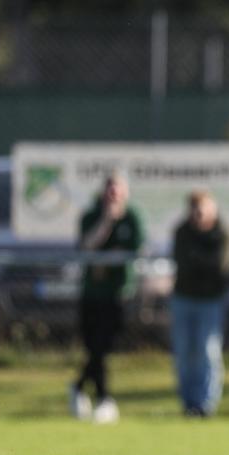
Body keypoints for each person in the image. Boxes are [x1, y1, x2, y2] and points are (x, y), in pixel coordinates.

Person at [69, 172, 144, 424]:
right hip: (92, 293)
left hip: (119, 293)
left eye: (118, 190)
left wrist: (109, 258)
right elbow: (87, 246)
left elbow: (136, 249)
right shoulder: (91, 216)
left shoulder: (132, 218)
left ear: (125, 193)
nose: (113, 195)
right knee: (95, 347)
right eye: (110, 190)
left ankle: (80, 387)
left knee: (104, 346)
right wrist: (106, 222)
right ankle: (103, 399)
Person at [171, 189, 229, 417]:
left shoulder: (223, 234)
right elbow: (183, 263)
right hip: (184, 298)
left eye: (202, 209)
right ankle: (188, 403)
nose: (198, 214)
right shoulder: (182, 232)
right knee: (185, 352)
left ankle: (206, 404)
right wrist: (202, 261)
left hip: (211, 300)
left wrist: (199, 260)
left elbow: (221, 267)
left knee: (208, 351)